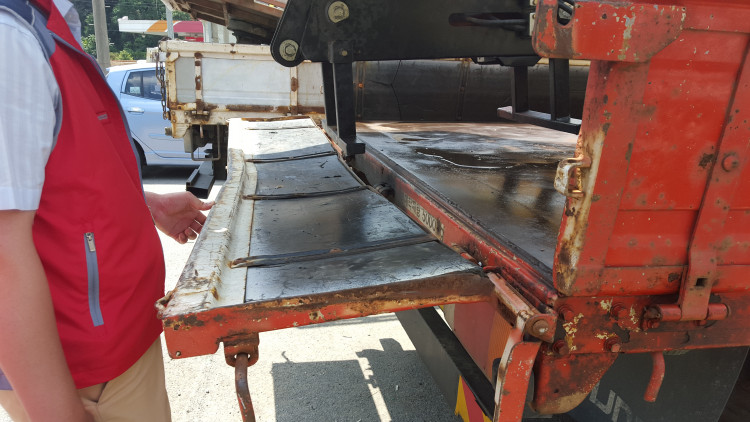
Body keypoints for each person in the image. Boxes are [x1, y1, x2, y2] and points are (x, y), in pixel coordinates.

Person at [0, 0, 213, 420]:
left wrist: (145, 205)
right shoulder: (11, 39)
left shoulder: (45, 24)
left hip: (120, 342)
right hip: (83, 369)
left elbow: (62, 178)